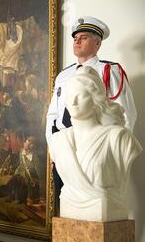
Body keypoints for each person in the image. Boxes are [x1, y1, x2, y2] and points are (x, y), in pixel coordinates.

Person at [45, 16, 137, 211]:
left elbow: (126, 113)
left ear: (97, 42)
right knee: (66, 211)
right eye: (75, 38)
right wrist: (54, 148)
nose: (77, 41)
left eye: (83, 37)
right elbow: (52, 116)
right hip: (66, 148)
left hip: (95, 149)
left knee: (97, 210)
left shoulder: (108, 71)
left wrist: (114, 153)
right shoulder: (64, 75)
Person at [48, 66, 142, 221]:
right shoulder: (59, 141)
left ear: (95, 99)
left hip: (106, 215)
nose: (73, 101)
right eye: (70, 95)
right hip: (70, 215)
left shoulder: (118, 138)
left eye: (81, 96)